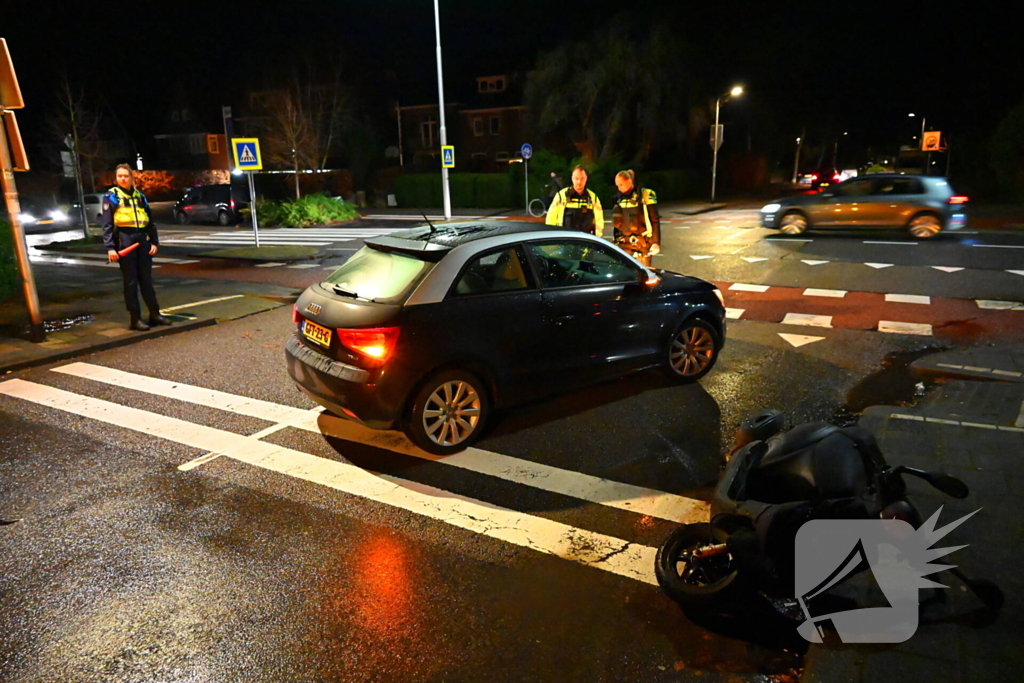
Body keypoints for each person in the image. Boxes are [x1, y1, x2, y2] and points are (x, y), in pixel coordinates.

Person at [102, 164, 170, 331]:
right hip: (125, 240)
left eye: (126, 176)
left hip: (142, 240)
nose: (123, 179)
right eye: (120, 176)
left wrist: (154, 242)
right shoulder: (112, 196)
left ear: (132, 178)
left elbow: (150, 220)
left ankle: (155, 314)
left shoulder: (140, 196)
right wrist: (110, 247)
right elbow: (107, 224)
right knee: (131, 282)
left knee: (146, 280)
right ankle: (135, 318)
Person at [611, 169, 660, 267]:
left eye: (621, 185)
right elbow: (617, 224)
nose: (619, 188)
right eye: (617, 185)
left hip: (643, 244)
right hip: (624, 244)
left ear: (629, 181)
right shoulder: (618, 199)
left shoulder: (646, 195)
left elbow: (655, 220)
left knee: (644, 276)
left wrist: (656, 242)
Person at [545, 165, 605, 236]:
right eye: (576, 178)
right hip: (565, 240)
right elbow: (551, 218)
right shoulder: (561, 196)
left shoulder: (593, 198)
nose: (579, 182)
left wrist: (597, 240)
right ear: (572, 178)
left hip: (586, 242)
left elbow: (599, 222)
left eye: (582, 178)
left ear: (586, 179)